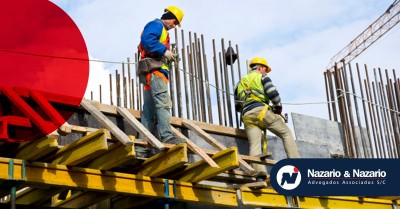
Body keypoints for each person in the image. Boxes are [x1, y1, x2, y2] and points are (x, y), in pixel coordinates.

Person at [234, 56, 300, 181]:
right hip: (262, 112)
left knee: (254, 145)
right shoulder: (262, 77)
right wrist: (278, 107)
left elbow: (237, 107)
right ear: (259, 68)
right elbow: (273, 94)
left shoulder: (239, 84)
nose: (266, 72)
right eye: (265, 69)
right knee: (286, 133)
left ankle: (259, 174)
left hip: (247, 116)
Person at [136, 6, 184, 157]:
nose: (174, 26)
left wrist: (168, 55)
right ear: (169, 17)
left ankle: (141, 148)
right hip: (155, 73)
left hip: (151, 73)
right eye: (174, 22)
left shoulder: (161, 30)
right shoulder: (157, 25)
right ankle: (167, 136)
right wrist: (164, 51)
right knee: (163, 104)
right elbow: (147, 40)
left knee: (149, 112)